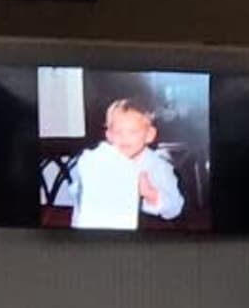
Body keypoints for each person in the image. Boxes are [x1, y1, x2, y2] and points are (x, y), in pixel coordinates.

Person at [64, 97, 185, 231]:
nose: (124, 137)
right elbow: (78, 195)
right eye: (118, 132)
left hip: (144, 231)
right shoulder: (100, 160)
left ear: (149, 134)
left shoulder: (158, 166)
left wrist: (151, 194)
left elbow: (175, 207)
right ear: (109, 135)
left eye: (133, 132)